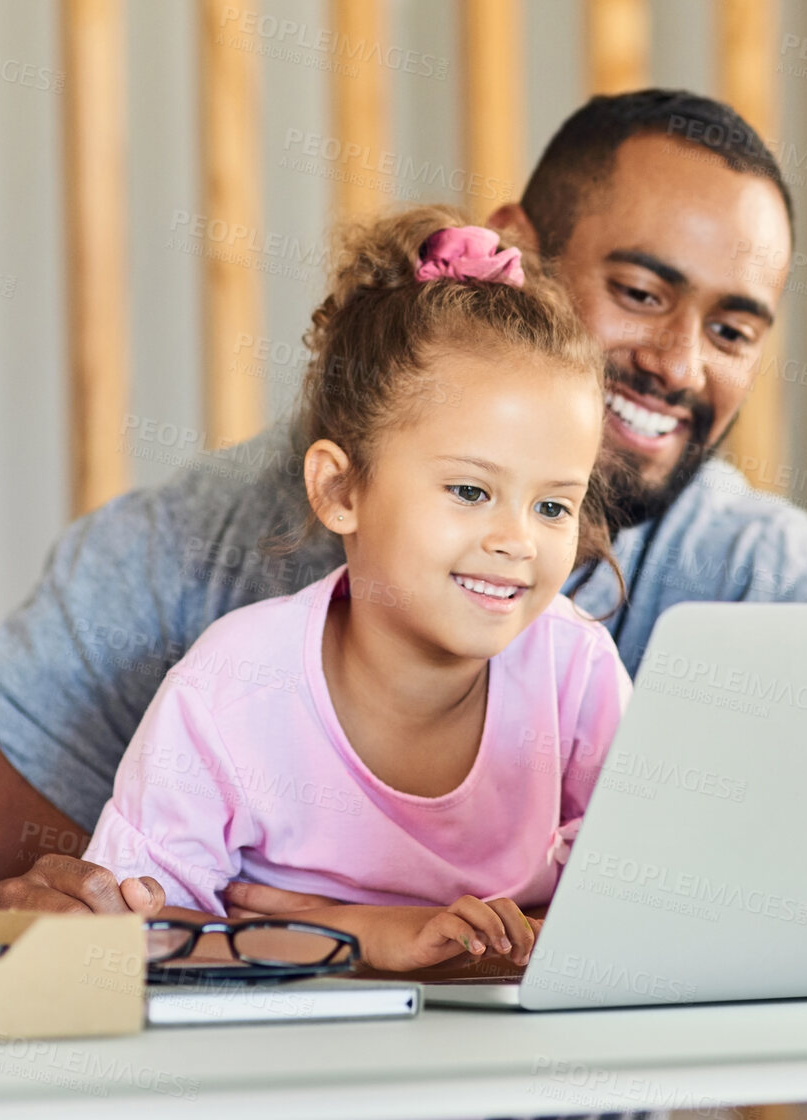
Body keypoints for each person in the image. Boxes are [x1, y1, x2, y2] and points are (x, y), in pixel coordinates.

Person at [0, 89, 807, 913]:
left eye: (731, 326)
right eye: (639, 289)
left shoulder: (765, 585)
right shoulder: (181, 569)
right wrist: (36, 935)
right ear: (511, 248)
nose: (679, 361)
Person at [83, 209, 621, 969]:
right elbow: (129, 937)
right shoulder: (234, 685)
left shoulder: (577, 672)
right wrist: (364, 937)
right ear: (340, 490)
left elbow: (642, 918)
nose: (517, 541)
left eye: (553, 506)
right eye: (470, 491)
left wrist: (366, 929)